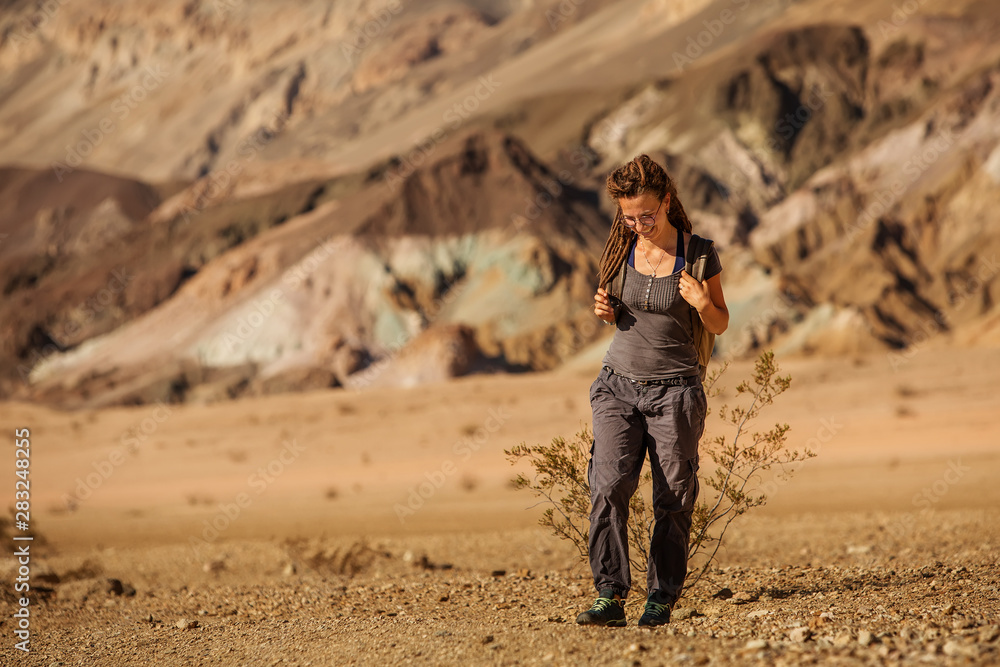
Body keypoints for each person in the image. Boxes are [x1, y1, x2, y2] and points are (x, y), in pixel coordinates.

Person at [576, 154, 728, 628]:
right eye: (628, 216)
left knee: (673, 498)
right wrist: (605, 311)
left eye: (647, 214)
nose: (639, 224)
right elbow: (619, 314)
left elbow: (720, 322)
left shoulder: (698, 253)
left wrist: (703, 302)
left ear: (666, 202)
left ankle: (660, 598)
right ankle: (609, 595)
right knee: (609, 486)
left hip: (676, 394)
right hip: (618, 386)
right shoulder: (619, 250)